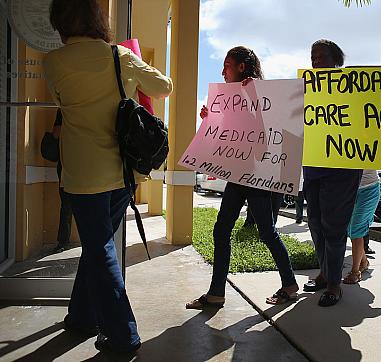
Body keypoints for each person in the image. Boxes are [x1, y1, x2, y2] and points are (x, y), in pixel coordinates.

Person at [44, 0, 173, 353]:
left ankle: (121, 335)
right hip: (121, 172)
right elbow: (165, 87)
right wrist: (133, 71)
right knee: (98, 246)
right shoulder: (119, 56)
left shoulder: (53, 62)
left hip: (81, 173)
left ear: (60, 22)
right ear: (97, 19)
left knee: (97, 246)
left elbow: (62, 102)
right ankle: (87, 318)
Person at [186, 46, 298, 309]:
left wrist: (256, 91)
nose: (222, 71)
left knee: (266, 231)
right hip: (239, 175)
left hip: (257, 176)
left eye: (226, 65)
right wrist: (210, 118)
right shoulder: (233, 98)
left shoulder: (259, 91)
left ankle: (290, 284)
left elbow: (269, 125)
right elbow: (230, 131)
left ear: (241, 67)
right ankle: (216, 293)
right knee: (222, 229)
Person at [302, 39, 362, 307]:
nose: (316, 61)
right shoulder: (305, 90)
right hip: (313, 169)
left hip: (343, 170)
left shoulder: (355, 88)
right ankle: (326, 272)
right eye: (313, 57)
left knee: (334, 227)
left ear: (337, 61)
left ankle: (335, 284)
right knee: (315, 223)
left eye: (322, 56)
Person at [343, 170, 380, 284]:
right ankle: (363, 262)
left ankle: (355, 272)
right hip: (349, 188)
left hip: (369, 187)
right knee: (350, 229)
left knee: (356, 230)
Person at [52, 110, 73, 254]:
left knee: (66, 205)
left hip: (68, 162)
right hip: (84, 162)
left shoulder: (64, 108)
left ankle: (63, 241)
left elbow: (56, 133)